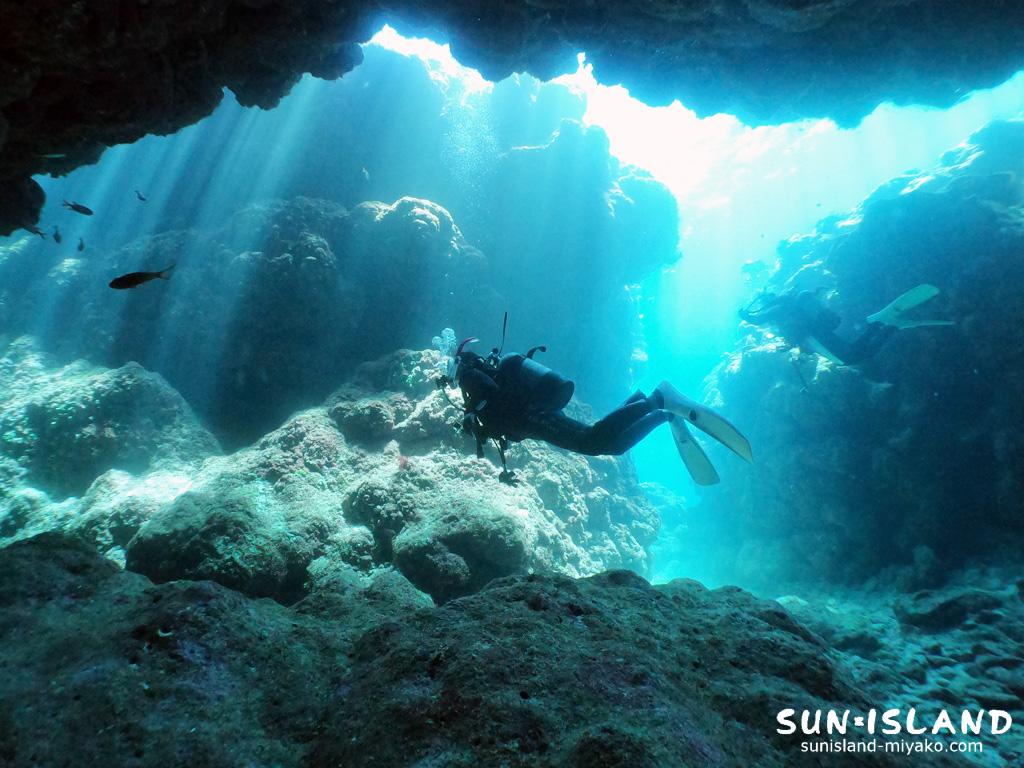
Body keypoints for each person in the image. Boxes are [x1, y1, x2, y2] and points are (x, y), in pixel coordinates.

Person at [438, 336, 752, 486]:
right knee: (604, 442)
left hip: (531, 416)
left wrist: (474, 415)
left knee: (595, 441)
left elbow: (494, 401)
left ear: (454, 362)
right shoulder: (475, 375)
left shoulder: (468, 375)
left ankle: (659, 401)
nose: (447, 377)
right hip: (532, 415)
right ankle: (655, 408)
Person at [739, 283, 952, 365]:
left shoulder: (777, 309)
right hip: (817, 333)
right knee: (853, 354)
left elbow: (755, 319)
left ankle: (886, 325)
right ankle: (882, 325)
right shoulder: (787, 305)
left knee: (850, 359)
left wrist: (743, 315)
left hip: (813, 336)